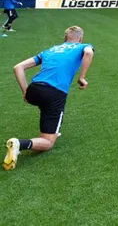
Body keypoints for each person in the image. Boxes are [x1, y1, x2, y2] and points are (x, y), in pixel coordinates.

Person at [3, 26, 94, 171]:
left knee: (47, 107)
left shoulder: (50, 50)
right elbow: (88, 52)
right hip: (53, 93)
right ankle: (20, 143)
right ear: (80, 38)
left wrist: (25, 92)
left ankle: (53, 129)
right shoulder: (83, 46)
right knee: (48, 141)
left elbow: (17, 67)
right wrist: (81, 77)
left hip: (34, 89)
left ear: (65, 38)